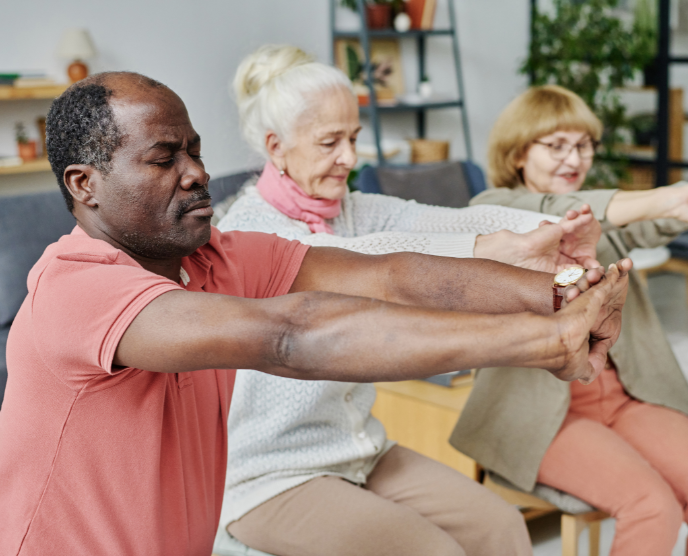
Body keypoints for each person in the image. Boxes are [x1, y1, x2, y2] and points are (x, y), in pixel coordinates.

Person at [0, 73, 630, 556]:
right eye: (165, 159)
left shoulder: (213, 257)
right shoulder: (77, 290)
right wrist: (544, 340)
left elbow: (389, 276)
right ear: (85, 184)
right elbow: (290, 336)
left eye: (194, 151)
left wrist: (558, 293)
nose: (198, 174)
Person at [213, 45, 607, 556]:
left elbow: (441, 221)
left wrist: (549, 231)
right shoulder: (245, 232)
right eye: (330, 142)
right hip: (269, 476)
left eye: (354, 138)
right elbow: (367, 263)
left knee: (501, 527)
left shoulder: (350, 208)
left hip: (360, 453)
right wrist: (501, 252)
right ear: (276, 146)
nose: (350, 159)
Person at [450, 84, 688, 556]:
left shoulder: (601, 222)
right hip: (543, 414)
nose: (573, 159)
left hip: (625, 397)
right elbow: (574, 211)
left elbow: (661, 216)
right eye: (555, 146)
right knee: (652, 506)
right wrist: (673, 199)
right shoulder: (490, 211)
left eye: (583, 145)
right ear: (517, 154)